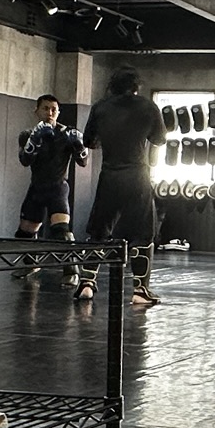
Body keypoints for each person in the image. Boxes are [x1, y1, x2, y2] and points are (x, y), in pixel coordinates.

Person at [79, 67, 167, 307]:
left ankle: (87, 283)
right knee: (143, 235)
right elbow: (160, 139)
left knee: (98, 231)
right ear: (136, 87)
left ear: (112, 86)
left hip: (109, 175)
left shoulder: (101, 107)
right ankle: (140, 290)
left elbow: (89, 141)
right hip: (137, 175)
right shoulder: (148, 106)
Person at [14, 93, 87, 284]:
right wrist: (35, 140)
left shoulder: (67, 134)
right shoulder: (27, 135)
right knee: (24, 233)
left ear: (59, 112)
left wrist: (80, 146)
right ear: (37, 111)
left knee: (61, 231)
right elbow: (25, 160)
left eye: (54, 109)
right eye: (45, 108)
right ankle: (31, 264)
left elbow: (83, 162)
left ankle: (72, 271)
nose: (50, 112)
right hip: (37, 188)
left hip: (58, 188)